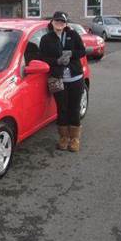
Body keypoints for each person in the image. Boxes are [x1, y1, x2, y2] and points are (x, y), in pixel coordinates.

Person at [39, 11, 86, 152]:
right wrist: (56, 61)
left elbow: (82, 51)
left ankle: (75, 139)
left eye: (62, 21)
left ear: (66, 24)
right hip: (57, 79)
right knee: (62, 109)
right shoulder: (46, 39)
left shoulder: (73, 35)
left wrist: (72, 54)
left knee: (74, 108)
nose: (59, 23)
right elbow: (42, 57)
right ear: (52, 22)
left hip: (75, 78)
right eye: (57, 21)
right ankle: (64, 138)